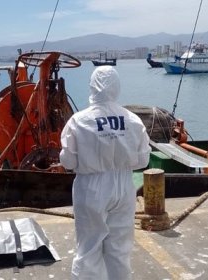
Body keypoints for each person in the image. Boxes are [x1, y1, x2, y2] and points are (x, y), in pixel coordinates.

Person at [60, 66, 151, 280]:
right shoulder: (132, 120)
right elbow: (143, 160)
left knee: (89, 246)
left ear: (92, 86)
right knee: (120, 247)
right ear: (117, 87)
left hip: (91, 186)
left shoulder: (79, 121)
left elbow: (68, 160)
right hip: (124, 185)